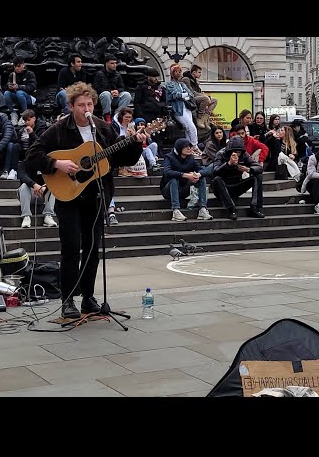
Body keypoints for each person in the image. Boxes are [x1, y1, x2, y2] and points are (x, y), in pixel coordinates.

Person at [26, 82, 146, 319]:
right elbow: (32, 157)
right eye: (81, 105)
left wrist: (136, 143)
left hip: (96, 196)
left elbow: (123, 158)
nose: (86, 108)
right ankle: (68, 299)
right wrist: (56, 163)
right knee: (70, 249)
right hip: (68, 196)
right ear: (71, 106)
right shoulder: (59, 130)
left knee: (92, 249)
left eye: (90, 104)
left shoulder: (102, 128)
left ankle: (88, 298)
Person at [160, 137, 213, 222]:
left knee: (201, 178)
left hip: (184, 189)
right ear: (179, 148)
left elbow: (201, 169)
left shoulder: (190, 158)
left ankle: (203, 209)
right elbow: (167, 172)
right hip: (168, 190)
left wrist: (197, 174)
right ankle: (175, 211)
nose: (189, 148)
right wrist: (185, 175)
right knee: (174, 178)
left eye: (190, 146)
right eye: (186, 147)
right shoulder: (169, 157)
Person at [212, 135, 265, 220]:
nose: (237, 154)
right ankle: (231, 209)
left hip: (237, 184)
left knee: (257, 176)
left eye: (239, 152)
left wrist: (249, 169)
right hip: (222, 186)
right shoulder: (221, 154)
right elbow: (215, 171)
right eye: (235, 152)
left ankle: (255, 208)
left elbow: (258, 167)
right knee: (217, 179)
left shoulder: (244, 155)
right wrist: (228, 164)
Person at [166, 63, 200, 156]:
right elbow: (173, 95)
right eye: (176, 72)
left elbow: (190, 94)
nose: (178, 73)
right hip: (178, 109)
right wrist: (183, 95)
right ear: (172, 73)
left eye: (180, 72)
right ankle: (194, 146)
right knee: (191, 127)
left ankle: (189, 147)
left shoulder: (182, 84)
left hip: (187, 108)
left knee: (188, 128)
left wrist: (183, 95)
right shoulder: (169, 84)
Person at [92, 54, 132, 123]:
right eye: (112, 63)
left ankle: (117, 115)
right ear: (106, 64)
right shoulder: (99, 74)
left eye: (115, 63)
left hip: (115, 97)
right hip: (103, 98)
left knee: (127, 95)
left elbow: (122, 87)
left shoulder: (117, 74)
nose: (114, 65)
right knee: (106, 94)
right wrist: (110, 92)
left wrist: (118, 91)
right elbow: (96, 88)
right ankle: (107, 116)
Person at [181, 64, 217, 129]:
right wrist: (204, 96)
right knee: (205, 99)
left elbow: (199, 91)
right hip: (190, 99)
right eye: (199, 72)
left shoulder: (196, 81)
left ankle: (205, 118)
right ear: (194, 72)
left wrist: (205, 95)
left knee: (214, 100)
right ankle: (200, 118)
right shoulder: (186, 79)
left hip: (198, 97)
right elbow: (191, 92)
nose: (200, 74)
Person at [4, 56, 37, 125]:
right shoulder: (12, 74)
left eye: (19, 66)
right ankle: (13, 113)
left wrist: (19, 87)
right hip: (16, 96)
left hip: (28, 97)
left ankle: (24, 115)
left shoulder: (30, 74)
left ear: (23, 65)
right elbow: (7, 86)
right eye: (15, 66)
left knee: (20, 93)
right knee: (6, 93)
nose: (17, 68)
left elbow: (32, 87)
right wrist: (9, 86)